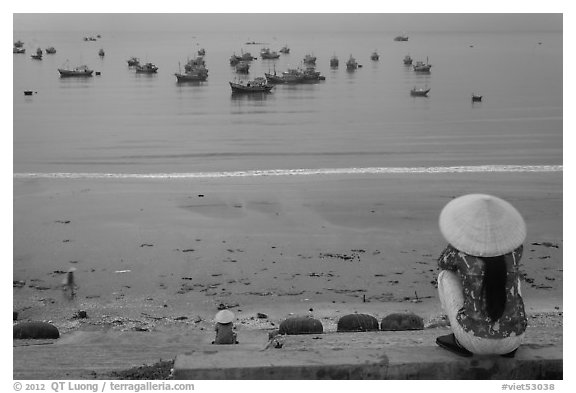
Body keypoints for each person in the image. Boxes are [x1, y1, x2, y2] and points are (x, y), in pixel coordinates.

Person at [435, 194, 527, 357]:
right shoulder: (515, 250)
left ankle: (458, 339)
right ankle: (506, 336)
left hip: (474, 341)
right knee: (513, 277)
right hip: (514, 339)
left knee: (445, 276)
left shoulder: (460, 253)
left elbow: (443, 263)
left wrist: (458, 242)